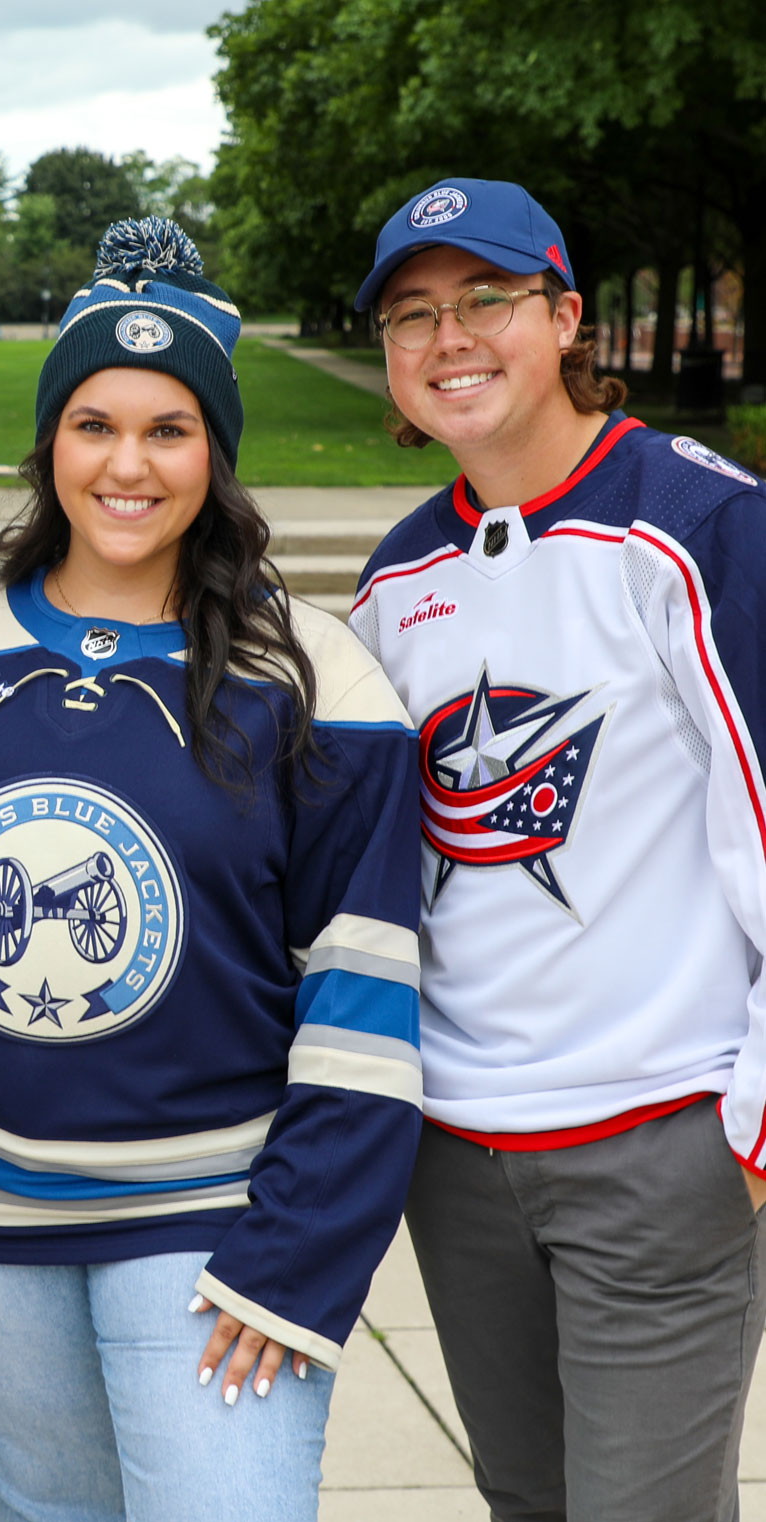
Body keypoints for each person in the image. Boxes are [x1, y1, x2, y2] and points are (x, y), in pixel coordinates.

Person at [0, 217, 423, 1522]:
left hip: (213, 1217)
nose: (126, 464)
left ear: (216, 453)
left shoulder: (318, 675)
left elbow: (363, 999)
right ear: (49, 442)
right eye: (93, 423)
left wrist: (300, 1253)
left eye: (167, 429)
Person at [349, 177, 766, 1522]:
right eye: (411, 315)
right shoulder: (391, 583)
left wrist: (746, 1122)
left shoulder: (698, 527)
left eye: (486, 299)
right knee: (526, 1501)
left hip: (659, 1137)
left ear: (564, 314)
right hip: (456, 1151)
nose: (448, 337)